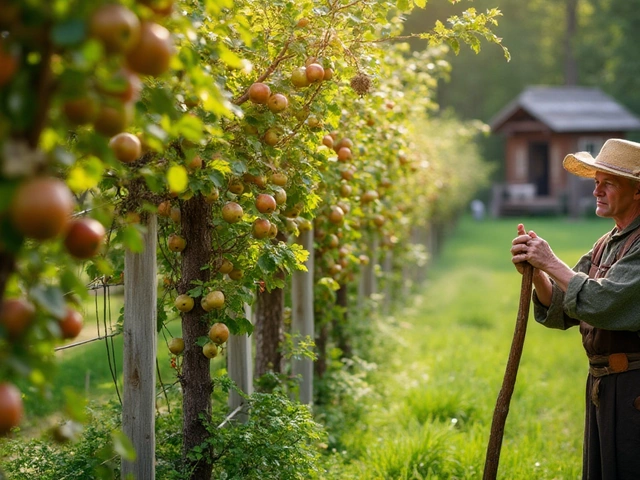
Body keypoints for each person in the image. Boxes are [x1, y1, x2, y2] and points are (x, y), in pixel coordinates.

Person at [510, 138, 640, 480]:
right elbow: (566, 308)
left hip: (635, 390)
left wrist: (551, 261)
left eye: (608, 183)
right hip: (605, 386)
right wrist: (538, 274)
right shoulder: (607, 243)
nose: (597, 190)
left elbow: (602, 301)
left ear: (638, 192)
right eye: (596, 182)